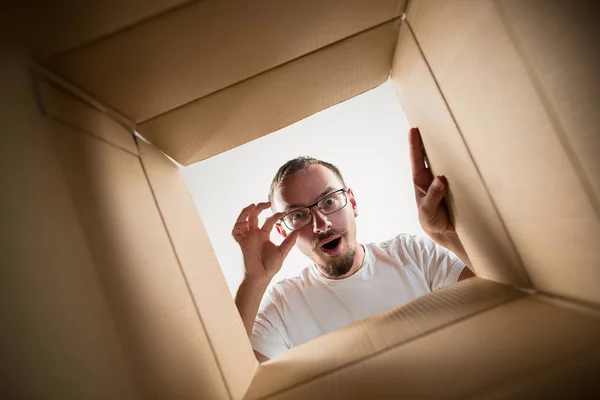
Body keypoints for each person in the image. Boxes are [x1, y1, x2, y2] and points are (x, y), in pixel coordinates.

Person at [232, 128, 475, 362]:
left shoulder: (412, 255)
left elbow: (503, 295)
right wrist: (254, 282)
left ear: (353, 202)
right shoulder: (282, 306)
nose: (321, 224)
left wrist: (448, 236)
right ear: (282, 230)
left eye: (329, 201)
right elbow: (233, 382)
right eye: (298, 215)